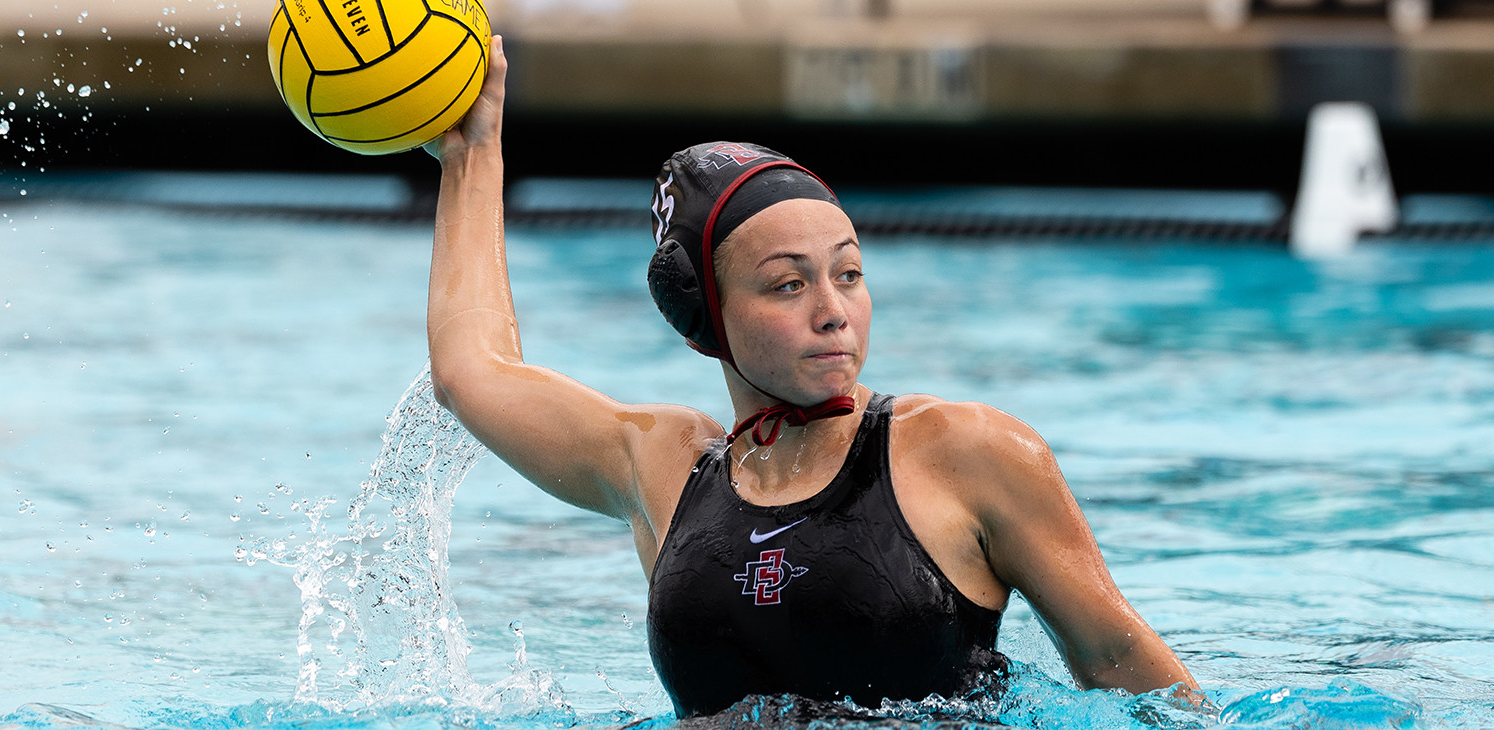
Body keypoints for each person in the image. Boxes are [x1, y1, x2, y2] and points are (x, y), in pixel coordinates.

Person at [425, 37, 1202, 718]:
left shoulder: (965, 450)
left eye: (849, 274)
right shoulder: (662, 466)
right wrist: (472, 156)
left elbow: (1129, 672)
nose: (834, 313)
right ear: (705, 315)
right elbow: (472, 374)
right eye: (788, 284)